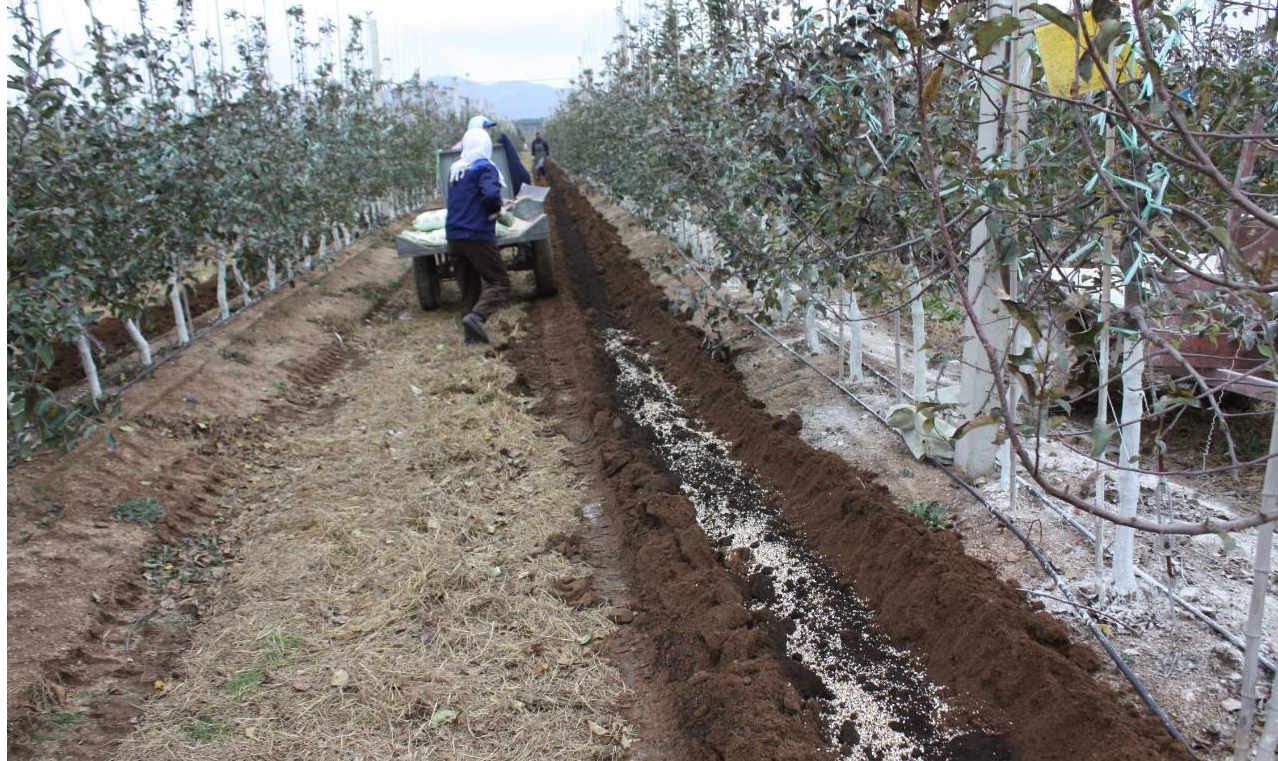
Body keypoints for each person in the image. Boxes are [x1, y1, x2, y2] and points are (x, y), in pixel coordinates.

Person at [446, 127, 509, 344]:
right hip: (477, 235)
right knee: (499, 282)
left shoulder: (456, 169)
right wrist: (497, 209)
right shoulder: (485, 168)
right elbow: (491, 195)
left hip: (454, 237)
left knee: (469, 287)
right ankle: (477, 317)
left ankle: (470, 340)